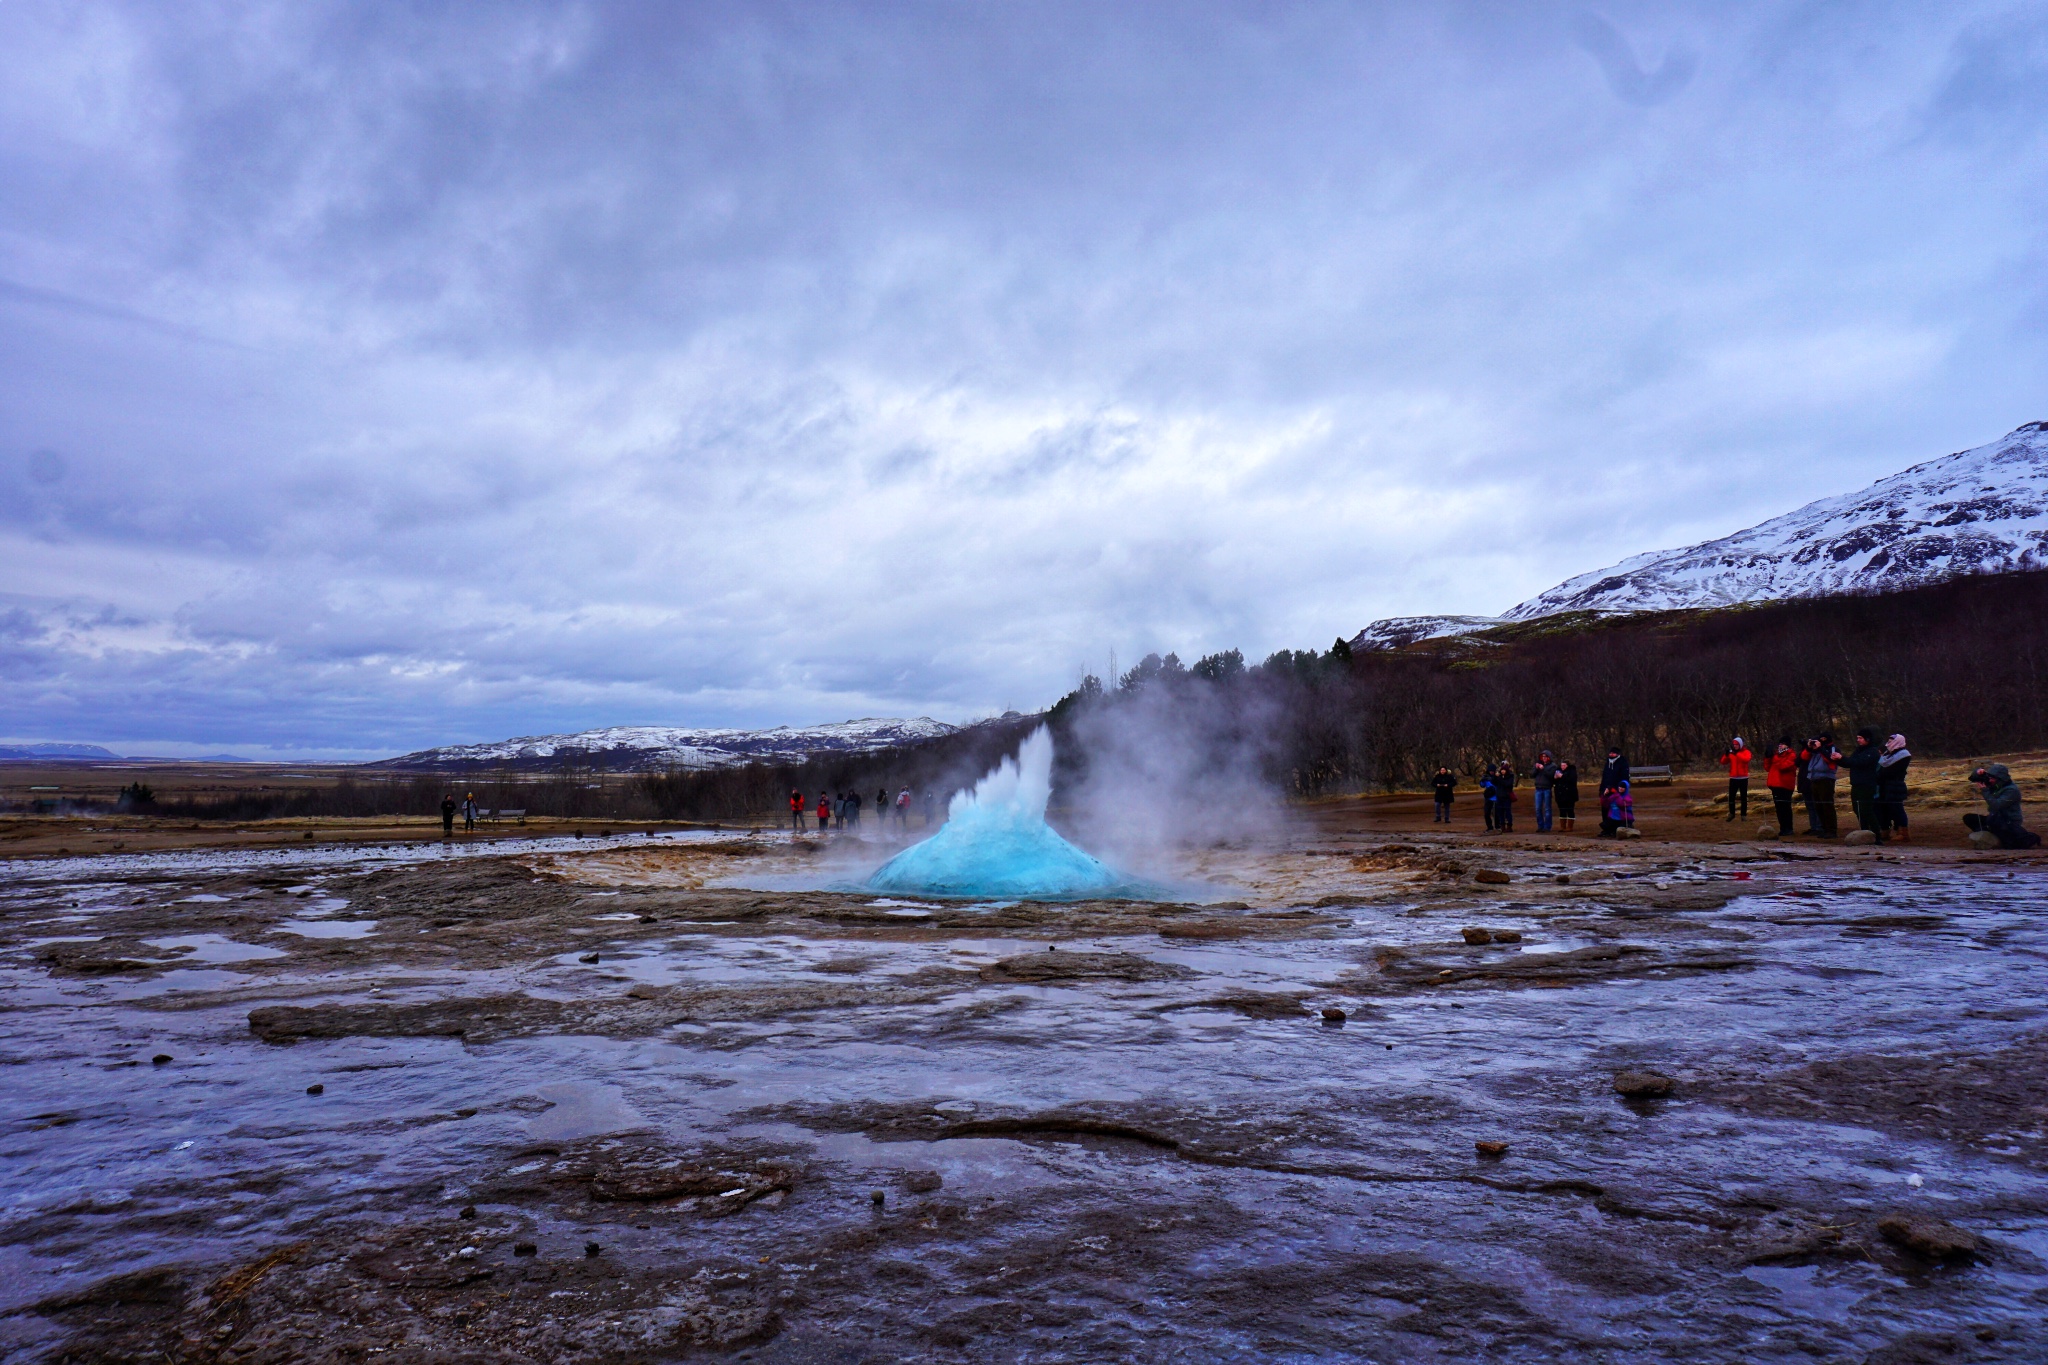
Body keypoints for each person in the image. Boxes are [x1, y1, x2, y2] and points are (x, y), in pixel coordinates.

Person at [1965, 764, 2041, 848]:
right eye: (1989, 777)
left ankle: (2004, 837)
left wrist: (1985, 791)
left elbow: (1996, 805)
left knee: (2008, 841)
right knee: (1969, 818)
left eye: (1992, 778)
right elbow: (1973, 778)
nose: (1989, 780)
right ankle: (1991, 832)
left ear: (2000, 779)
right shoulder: (1995, 784)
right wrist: (1978, 772)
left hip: (2009, 821)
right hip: (1994, 818)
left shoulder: (2012, 790)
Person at [1843, 728, 1883, 836]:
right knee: (1858, 810)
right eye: (1857, 738)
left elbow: (1859, 762)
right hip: (1856, 784)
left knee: (1866, 810)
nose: (1858, 740)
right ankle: (1865, 832)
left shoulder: (1872, 752)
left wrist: (1842, 758)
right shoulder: (1859, 750)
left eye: (1860, 738)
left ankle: (1876, 834)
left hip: (1867, 785)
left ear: (1867, 739)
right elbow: (1849, 763)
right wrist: (1838, 759)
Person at [1875, 734, 1911, 843]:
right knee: (1883, 808)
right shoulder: (1888, 754)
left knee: (1897, 808)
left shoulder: (1903, 755)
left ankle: (1903, 832)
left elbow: (1892, 771)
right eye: (1889, 740)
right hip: (1884, 786)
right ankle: (1885, 830)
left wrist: (1881, 775)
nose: (1888, 743)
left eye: (1891, 741)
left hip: (1895, 785)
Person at [1804, 735, 1841, 838]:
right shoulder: (1816, 751)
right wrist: (1809, 748)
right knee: (1818, 806)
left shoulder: (1831, 748)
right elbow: (1802, 759)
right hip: (1814, 778)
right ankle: (1824, 828)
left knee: (1827, 805)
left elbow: (1830, 760)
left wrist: (1820, 749)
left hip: (1826, 779)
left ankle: (1831, 830)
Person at [1765, 739, 1799, 837]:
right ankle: (1783, 828)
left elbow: (1783, 767)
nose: (1780, 746)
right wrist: (1767, 757)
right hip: (1775, 785)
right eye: (1779, 744)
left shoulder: (1791, 755)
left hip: (1785, 785)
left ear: (1787, 746)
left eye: (1782, 744)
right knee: (1779, 808)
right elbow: (1767, 768)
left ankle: (1788, 828)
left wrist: (1774, 758)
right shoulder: (1777, 755)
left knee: (1785, 807)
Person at [1720, 737, 1752, 822]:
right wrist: (1726, 755)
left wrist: (1737, 754)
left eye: (1737, 745)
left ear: (1740, 745)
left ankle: (1743, 815)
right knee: (1731, 797)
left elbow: (1746, 759)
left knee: (1743, 797)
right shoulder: (1732, 753)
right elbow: (1723, 762)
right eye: (1734, 745)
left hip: (1743, 778)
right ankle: (1731, 813)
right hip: (1733, 778)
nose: (1735, 746)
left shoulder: (1746, 752)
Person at [1531, 751, 1558, 833]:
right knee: (1538, 808)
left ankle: (1547, 827)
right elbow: (1532, 775)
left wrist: (1543, 769)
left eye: (1545, 757)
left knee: (1547, 809)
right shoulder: (1538, 765)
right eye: (1542, 757)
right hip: (1538, 788)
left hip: (1547, 788)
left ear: (1549, 757)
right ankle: (1540, 826)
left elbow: (1551, 776)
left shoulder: (1552, 766)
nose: (1544, 758)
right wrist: (1536, 768)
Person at [1554, 760, 1579, 832]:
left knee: (1570, 810)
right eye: (1561, 765)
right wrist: (1555, 778)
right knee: (1562, 810)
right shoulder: (1558, 771)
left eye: (1564, 765)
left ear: (1567, 765)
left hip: (1570, 795)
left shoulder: (1572, 772)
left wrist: (1562, 776)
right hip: (1560, 795)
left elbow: (1571, 780)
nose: (1562, 767)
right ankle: (1562, 826)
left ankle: (1570, 827)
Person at [1493, 761, 1517, 832]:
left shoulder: (1510, 777)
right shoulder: (1499, 777)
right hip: (1499, 796)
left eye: (1504, 770)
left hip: (1506, 797)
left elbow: (1507, 784)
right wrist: (1495, 776)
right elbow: (1494, 782)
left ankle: (1509, 826)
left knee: (1507, 812)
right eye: (1502, 770)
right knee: (1500, 812)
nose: (1503, 771)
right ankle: (1502, 825)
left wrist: (1500, 779)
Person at [1480, 766, 1497, 831]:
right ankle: (1489, 827)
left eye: (1493, 771)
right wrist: (1482, 780)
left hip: (1495, 798)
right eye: (1490, 771)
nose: (1492, 772)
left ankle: (1497, 826)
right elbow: (1482, 785)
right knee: (1487, 813)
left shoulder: (1496, 778)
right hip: (1488, 797)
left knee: (1496, 814)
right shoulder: (1486, 777)